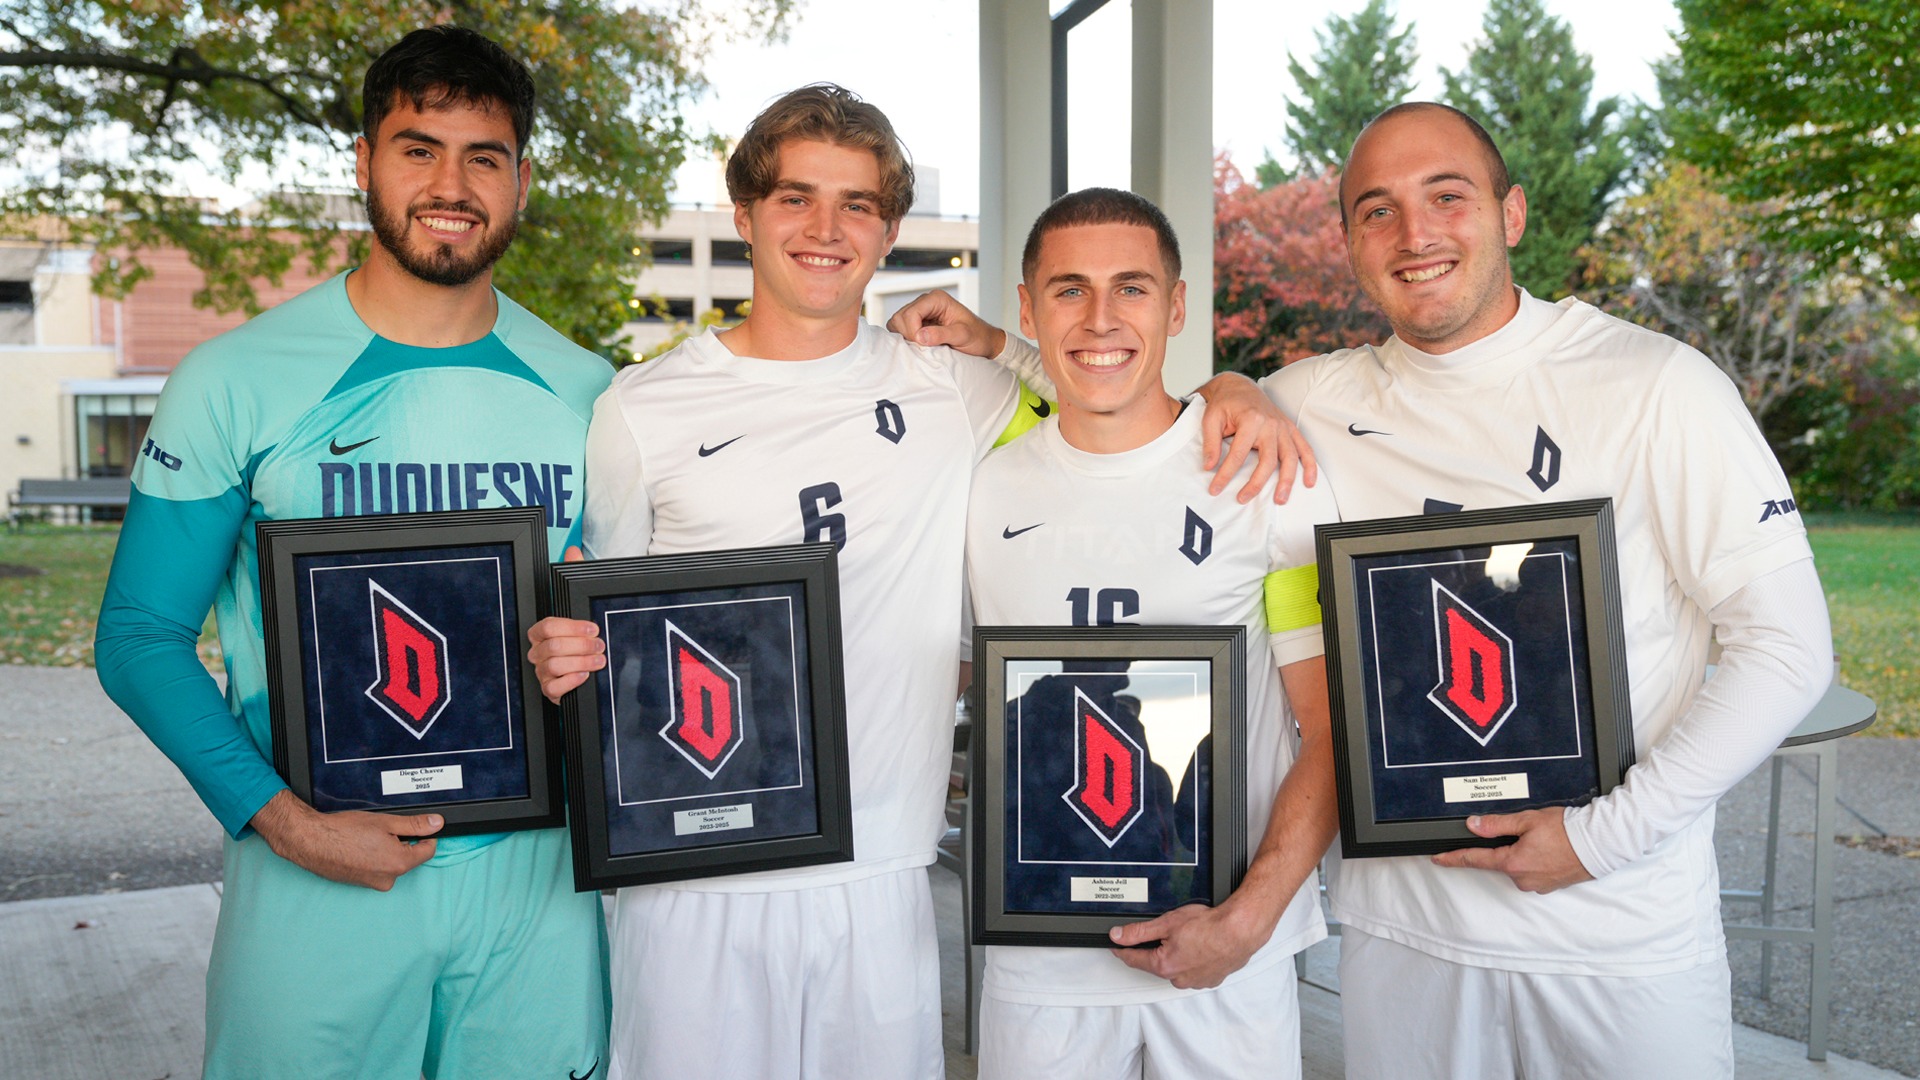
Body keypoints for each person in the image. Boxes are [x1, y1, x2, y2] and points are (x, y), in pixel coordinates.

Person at [894, 101, 1833, 1080]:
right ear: (1348, 239)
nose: (1416, 234)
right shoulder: (1310, 404)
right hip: (1401, 941)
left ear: (1511, 214)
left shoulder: (1656, 387)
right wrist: (1014, 346)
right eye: (1377, 210)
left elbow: (1789, 649)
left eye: (1447, 197)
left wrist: (1604, 838)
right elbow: (1134, 400)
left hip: (1611, 932)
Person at [524, 85, 1300, 1080]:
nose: (824, 228)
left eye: (856, 204)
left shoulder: (950, 388)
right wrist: (566, 658)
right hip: (692, 875)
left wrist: (1234, 389)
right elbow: (608, 643)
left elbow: (1107, 381)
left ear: (889, 230)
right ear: (745, 213)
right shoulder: (641, 408)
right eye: (797, 197)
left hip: (883, 874)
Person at [94, 27, 610, 1079]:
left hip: (537, 881)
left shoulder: (593, 393)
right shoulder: (236, 378)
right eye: (418, 148)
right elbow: (140, 637)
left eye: (486, 155)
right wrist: (283, 824)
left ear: (521, 180)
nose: (451, 184)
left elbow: (621, 626)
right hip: (316, 870)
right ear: (365, 162)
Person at [964, 187, 1341, 1080]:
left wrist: (1248, 921)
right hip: (1039, 956)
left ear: (1177, 306)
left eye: (1132, 288)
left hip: (1225, 952)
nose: (1101, 318)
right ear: (1026, 308)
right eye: (1068, 290)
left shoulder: (1266, 476)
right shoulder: (979, 488)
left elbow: (1330, 731)